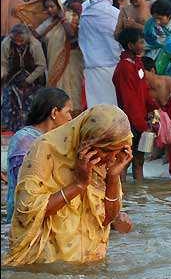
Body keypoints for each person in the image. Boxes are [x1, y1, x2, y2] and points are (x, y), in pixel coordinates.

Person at [2, 104, 134, 266]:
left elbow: (107, 219)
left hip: (90, 263)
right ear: (88, 141)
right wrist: (78, 185)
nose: (112, 158)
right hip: (47, 265)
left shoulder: (107, 162)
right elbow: (27, 210)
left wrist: (113, 177)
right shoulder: (45, 149)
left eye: (118, 150)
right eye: (106, 151)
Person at [5, 88, 73, 224]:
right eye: (68, 112)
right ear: (54, 112)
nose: (71, 118)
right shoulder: (24, 140)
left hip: (48, 215)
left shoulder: (52, 139)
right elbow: (27, 188)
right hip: (25, 221)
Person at [17, 0, 85, 116]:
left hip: (71, 60)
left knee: (72, 87)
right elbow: (36, 35)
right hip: (53, 60)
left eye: (52, 6)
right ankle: (59, 115)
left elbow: (72, 35)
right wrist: (26, 21)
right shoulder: (49, 21)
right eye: (47, 7)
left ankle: (73, 115)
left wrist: (63, 19)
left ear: (59, 5)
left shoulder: (70, 16)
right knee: (57, 87)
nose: (49, 10)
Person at [113, 28, 160, 182]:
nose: (143, 45)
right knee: (125, 161)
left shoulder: (138, 64)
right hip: (129, 122)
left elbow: (143, 90)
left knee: (139, 160)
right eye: (140, 42)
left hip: (141, 119)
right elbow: (129, 101)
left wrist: (152, 108)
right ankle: (123, 194)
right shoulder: (124, 68)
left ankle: (139, 196)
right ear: (130, 45)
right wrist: (140, 123)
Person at [78, 0, 121, 107]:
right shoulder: (115, 13)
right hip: (112, 65)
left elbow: (83, 38)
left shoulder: (85, 15)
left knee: (95, 103)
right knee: (113, 103)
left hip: (91, 66)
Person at [1, 24, 46, 133]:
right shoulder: (6, 43)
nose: (18, 43)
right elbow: (3, 63)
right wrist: (2, 76)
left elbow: (41, 66)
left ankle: (31, 128)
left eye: (21, 41)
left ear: (26, 37)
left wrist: (28, 80)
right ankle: (8, 127)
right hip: (13, 77)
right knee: (8, 99)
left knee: (31, 103)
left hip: (33, 78)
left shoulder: (35, 44)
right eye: (15, 41)